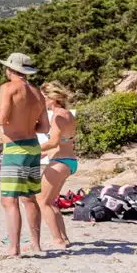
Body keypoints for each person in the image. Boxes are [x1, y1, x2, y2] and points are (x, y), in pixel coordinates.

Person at [0, 52, 49, 258]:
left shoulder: (8, 88)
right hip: (33, 146)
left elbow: (2, 119)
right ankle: (36, 244)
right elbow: (44, 126)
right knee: (29, 198)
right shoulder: (38, 93)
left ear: (11, 69)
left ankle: (14, 248)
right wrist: (26, 123)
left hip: (16, 148)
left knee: (9, 200)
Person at [37, 82, 78, 250]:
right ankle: (63, 238)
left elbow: (54, 142)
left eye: (42, 98)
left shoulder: (58, 116)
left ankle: (57, 240)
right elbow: (63, 142)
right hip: (68, 160)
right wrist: (43, 153)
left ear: (51, 98)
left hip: (60, 162)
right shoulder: (67, 114)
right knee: (51, 202)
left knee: (42, 201)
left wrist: (31, 150)